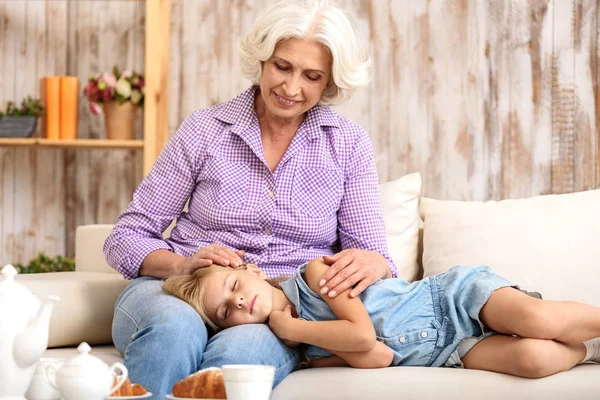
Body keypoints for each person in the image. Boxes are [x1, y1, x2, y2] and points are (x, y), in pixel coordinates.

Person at [104, 0, 396, 397]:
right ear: (261, 59)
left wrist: (374, 262)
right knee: (176, 328)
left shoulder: (347, 144)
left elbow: (373, 256)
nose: (292, 88)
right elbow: (126, 236)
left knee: (239, 356)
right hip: (178, 291)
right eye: (282, 66)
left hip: (270, 310)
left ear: (328, 83)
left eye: (311, 76)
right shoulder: (206, 130)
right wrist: (184, 264)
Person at [163, 259, 600, 376]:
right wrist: (304, 347)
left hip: (451, 299)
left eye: (236, 288)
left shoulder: (314, 276)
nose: (238, 304)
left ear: (252, 272)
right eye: (225, 312)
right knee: (535, 361)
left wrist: (293, 326)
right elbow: (377, 357)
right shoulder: (308, 353)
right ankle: (588, 351)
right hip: (449, 351)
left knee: (538, 320)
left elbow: (362, 330)